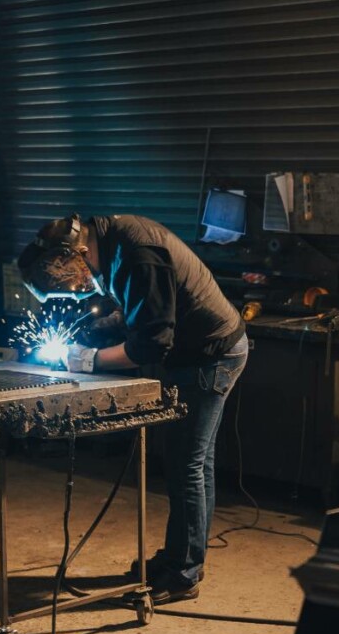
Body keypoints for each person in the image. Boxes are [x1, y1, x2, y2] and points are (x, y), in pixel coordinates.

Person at [17, 214, 248, 603]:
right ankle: (184, 558)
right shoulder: (112, 242)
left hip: (211, 356)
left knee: (186, 465)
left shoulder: (136, 256)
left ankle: (182, 575)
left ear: (78, 256)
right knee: (196, 463)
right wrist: (96, 330)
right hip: (206, 351)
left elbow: (151, 345)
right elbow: (140, 309)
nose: (77, 294)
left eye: (73, 286)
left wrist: (88, 360)